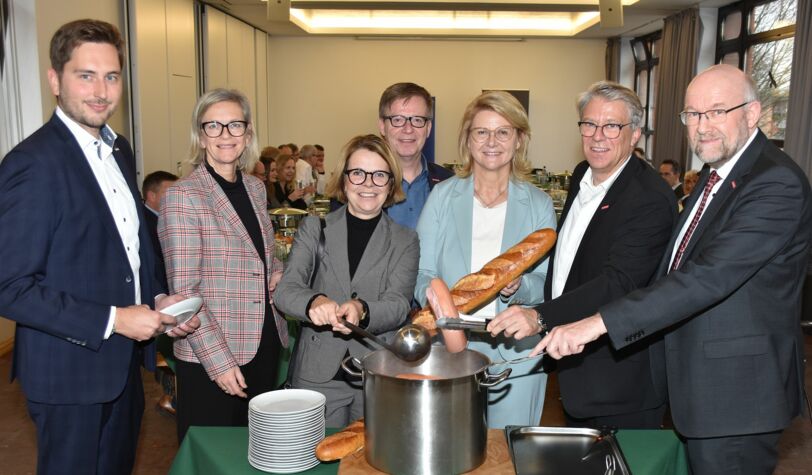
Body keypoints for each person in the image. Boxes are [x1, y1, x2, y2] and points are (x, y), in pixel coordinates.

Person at [532, 64, 812, 475]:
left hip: (736, 394)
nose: (702, 126)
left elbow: (707, 277)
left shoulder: (775, 183)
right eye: (693, 114)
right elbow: (676, 265)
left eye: (717, 111)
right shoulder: (716, 174)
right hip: (698, 387)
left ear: (752, 114)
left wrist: (597, 323)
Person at [0, 19, 198, 473]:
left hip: (120, 368)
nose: (100, 91)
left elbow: (126, 252)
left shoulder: (119, 149)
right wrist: (115, 319)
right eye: (84, 75)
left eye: (111, 76)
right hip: (67, 373)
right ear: (55, 80)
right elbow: (10, 286)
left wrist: (157, 299)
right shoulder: (33, 164)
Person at [488, 81, 677, 429]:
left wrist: (540, 315)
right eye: (589, 124)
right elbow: (573, 259)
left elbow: (618, 283)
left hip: (619, 380)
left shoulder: (649, 198)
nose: (597, 136)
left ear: (634, 134)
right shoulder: (582, 174)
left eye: (611, 126)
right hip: (577, 367)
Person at [414, 91, 556, 429]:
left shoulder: (539, 204)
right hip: (451, 351)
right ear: (468, 139)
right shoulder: (443, 197)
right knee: (451, 451)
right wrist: (440, 304)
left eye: (503, 131)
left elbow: (549, 284)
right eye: (481, 132)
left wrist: (520, 287)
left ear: (519, 139)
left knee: (509, 454)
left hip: (518, 354)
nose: (492, 141)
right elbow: (422, 273)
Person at [159, 88, 290, 442]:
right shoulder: (183, 196)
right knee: (214, 453)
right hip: (211, 354)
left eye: (234, 125)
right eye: (213, 126)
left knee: (257, 449)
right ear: (201, 136)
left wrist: (275, 271)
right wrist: (220, 362)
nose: (225, 135)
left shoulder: (255, 187)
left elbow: (261, 254)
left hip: (262, 340)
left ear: (248, 134)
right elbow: (185, 295)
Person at [275, 134, 419, 427]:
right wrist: (315, 301)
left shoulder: (405, 239)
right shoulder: (315, 227)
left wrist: (362, 309)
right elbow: (286, 291)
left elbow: (399, 304)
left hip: (377, 373)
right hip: (317, 373)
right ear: (343, 180)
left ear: (391, 183)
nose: (368, 184)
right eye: (358, 174)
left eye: (379, 175)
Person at [377, 82, 453, 228]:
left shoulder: (450, 184)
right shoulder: (358, 185)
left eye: (417, 120)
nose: (408, 129)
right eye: (398, 120)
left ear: (428, 128)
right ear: (382, 126)